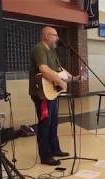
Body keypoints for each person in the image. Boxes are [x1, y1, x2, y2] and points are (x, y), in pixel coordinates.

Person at [29, 26, 78, 166]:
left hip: (52, 93)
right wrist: (59, 82)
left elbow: (59, 69)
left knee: (53, 123)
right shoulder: (40, 49)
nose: (57, 38)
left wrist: (73, 77)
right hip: (41, 94)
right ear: (46, 36)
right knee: (45, 124)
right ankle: (45, 156)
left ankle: (55, 149)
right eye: (54, 35)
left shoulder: (52, 51)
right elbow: (43, 69)